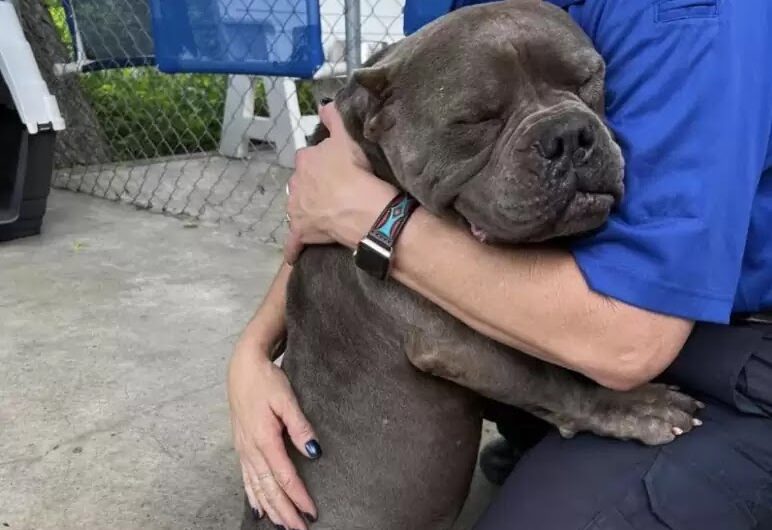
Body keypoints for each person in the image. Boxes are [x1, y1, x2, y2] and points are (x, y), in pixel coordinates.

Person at [227, 0, 772, 528]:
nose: (563, 136)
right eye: (477, 121)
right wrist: (253, 350)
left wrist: (381, 222)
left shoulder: (703, 17)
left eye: (582, 87)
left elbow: (630, 344)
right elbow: (331, 194)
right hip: (570, 323)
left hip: (722, 342)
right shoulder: (433, 29)